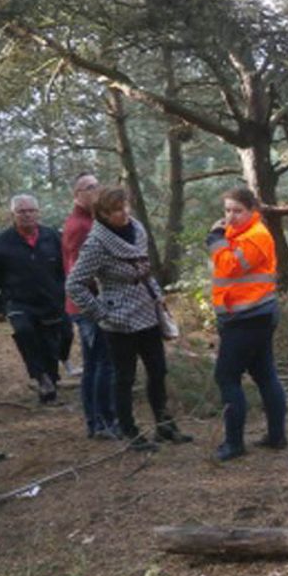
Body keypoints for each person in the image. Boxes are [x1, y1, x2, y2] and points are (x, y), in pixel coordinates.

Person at [66, 186, 191, 451]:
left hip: (147, 311)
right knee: (124, 377)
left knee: (158, 371)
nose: (124, 213)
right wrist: (101, 312)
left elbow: (144, 268)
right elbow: (74, 284)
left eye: (126, 207)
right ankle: (130, 432)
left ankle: (165, 425)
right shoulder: (96, 243)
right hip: (119, 321)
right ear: (102, 214)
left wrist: (157, 299)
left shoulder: (137, 230)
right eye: (116, 210)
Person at [206, 186, 287, 462]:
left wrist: (215, 238)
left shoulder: (256, 236)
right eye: (227, 211)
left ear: (252, 211)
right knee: (264, 374)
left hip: (249, 319)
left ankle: (234, 443)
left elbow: (230, 265)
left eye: (237, 211)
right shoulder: (239, 234)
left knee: (226, 377)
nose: (231, 217)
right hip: (246, 317)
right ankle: (276, 436)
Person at [0, 194, 68, 403]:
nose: (27, 215)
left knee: (57, 340)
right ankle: (41, 378)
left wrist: (67, 293)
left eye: (31, 211)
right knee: (25, 332)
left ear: (38, 213)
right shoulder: (0, 242)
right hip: (18, 302)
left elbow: (65, 268)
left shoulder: (52, 237)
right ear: (13, 215)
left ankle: (51, 378)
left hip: (51, 300)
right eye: (22, 211)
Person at [62, 172, 118, 439]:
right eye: (90, 187)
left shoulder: (90, 222)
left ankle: (97, 422)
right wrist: (98, 305)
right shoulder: (81, 226)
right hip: (89, 307)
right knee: (103, 364)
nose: (97, 190)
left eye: (98, 185)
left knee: (94, 364)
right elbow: (77, 276)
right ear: (77, 196)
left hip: (84, 306)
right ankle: (103, 422)